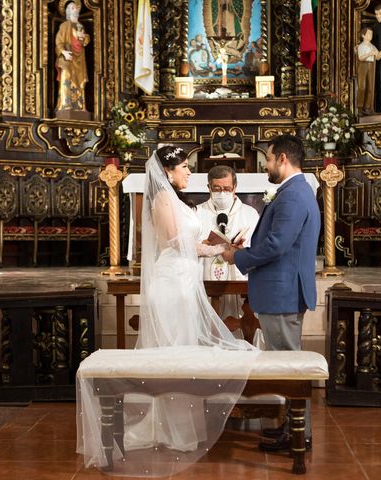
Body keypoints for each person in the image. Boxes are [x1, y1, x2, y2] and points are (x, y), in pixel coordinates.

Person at [76, 145, 258, 476]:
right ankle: (170, 430)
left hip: (184, 282)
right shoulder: (161, 199)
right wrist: (217, 249)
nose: (190, 172)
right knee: (173, 355)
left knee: (184, 353)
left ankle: (181, 427)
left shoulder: (176, 200)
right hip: (171, 283)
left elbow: (192, 239)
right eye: (185, 167)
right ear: (168, 171)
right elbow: (174, 242)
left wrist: (223, 247)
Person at [223, 134, 320, 452]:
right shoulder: (296, 190)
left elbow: (277, 245)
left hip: (283, 293)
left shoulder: (293, 195)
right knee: (285, 365)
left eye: (267, 158)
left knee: (290, 368)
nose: (265, 164)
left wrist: (237, 257)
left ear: (282, 159)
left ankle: (298, 435)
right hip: (283, 291)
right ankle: (291, 430)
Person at [195, 165, 260, 320]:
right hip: (205, 280)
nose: (222, 193)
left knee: (240, 321)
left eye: (227, 188)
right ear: (208, 188)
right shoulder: (197, 212)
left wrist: (242, 248)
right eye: (216, 189)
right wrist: (203, 244)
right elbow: (186, 244)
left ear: (235, 188)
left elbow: (257, 247)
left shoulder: (249, 213)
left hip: (238, 281)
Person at [55, 0, 90, 118]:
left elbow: (84, 41)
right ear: (68, 11)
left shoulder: (81, 26)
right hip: (68, 57)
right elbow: (59, 42)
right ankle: (65, 105)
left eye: (76, 8)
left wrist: (85, 37)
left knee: (80, 82)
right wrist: (63, 52)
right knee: (67, 79)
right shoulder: (64, 26)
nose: (75, 10)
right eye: (72, 8)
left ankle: (79, 106)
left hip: (79, 59)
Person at [356, 27, 381, 115]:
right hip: (363, 65)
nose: (370, 36)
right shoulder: (361, 46)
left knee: (370, 87)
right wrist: (369, 54)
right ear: (363, 35)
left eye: (371, 34)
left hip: (371, 65)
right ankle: (360, 107)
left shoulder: (372, 46)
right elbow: (360, 58)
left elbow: (378, 56)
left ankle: (368, 108)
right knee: (362, 86)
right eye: (368, 34)